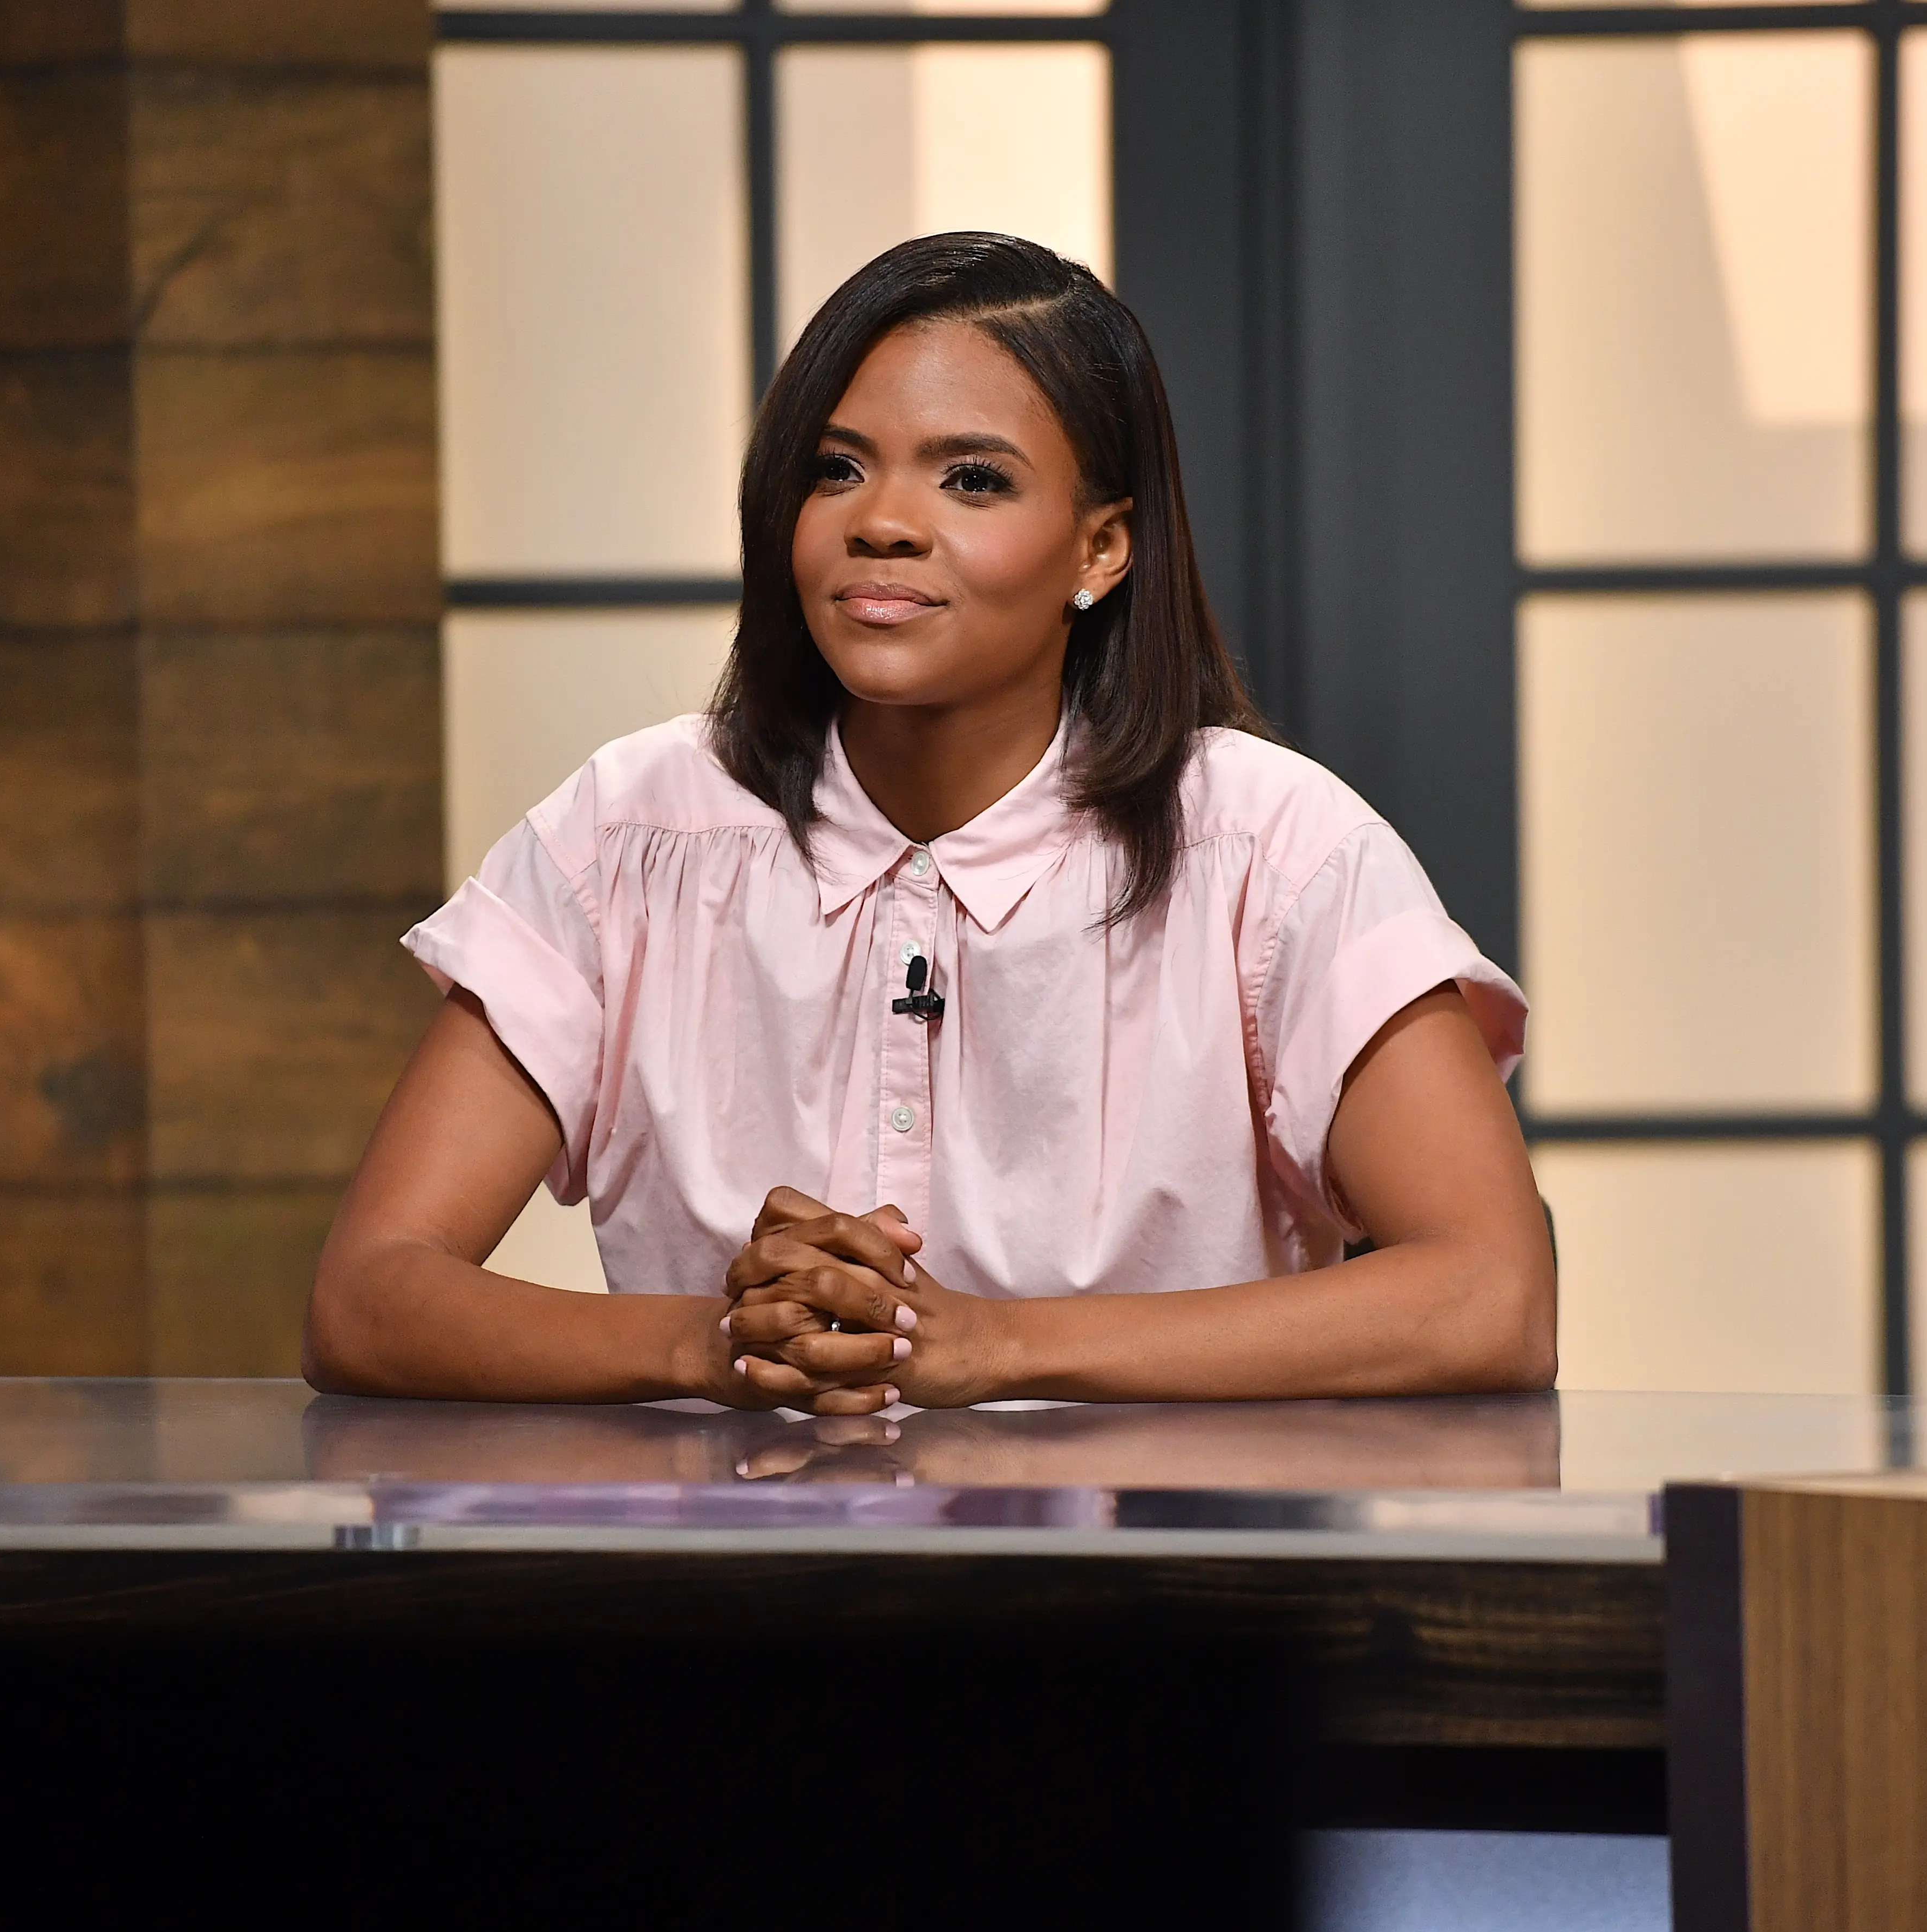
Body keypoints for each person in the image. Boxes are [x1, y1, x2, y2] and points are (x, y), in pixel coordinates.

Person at [306, 232, 1554, 1413]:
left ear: (1102, 548)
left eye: (971, 478)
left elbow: (1492, 1298)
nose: (883, 519)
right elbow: (368, 1298)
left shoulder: (1274, 849)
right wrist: (709, 1340)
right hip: (730, 1602)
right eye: (837, 468)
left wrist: (995, 1345)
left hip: (1177, 1608)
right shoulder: (626, 834)